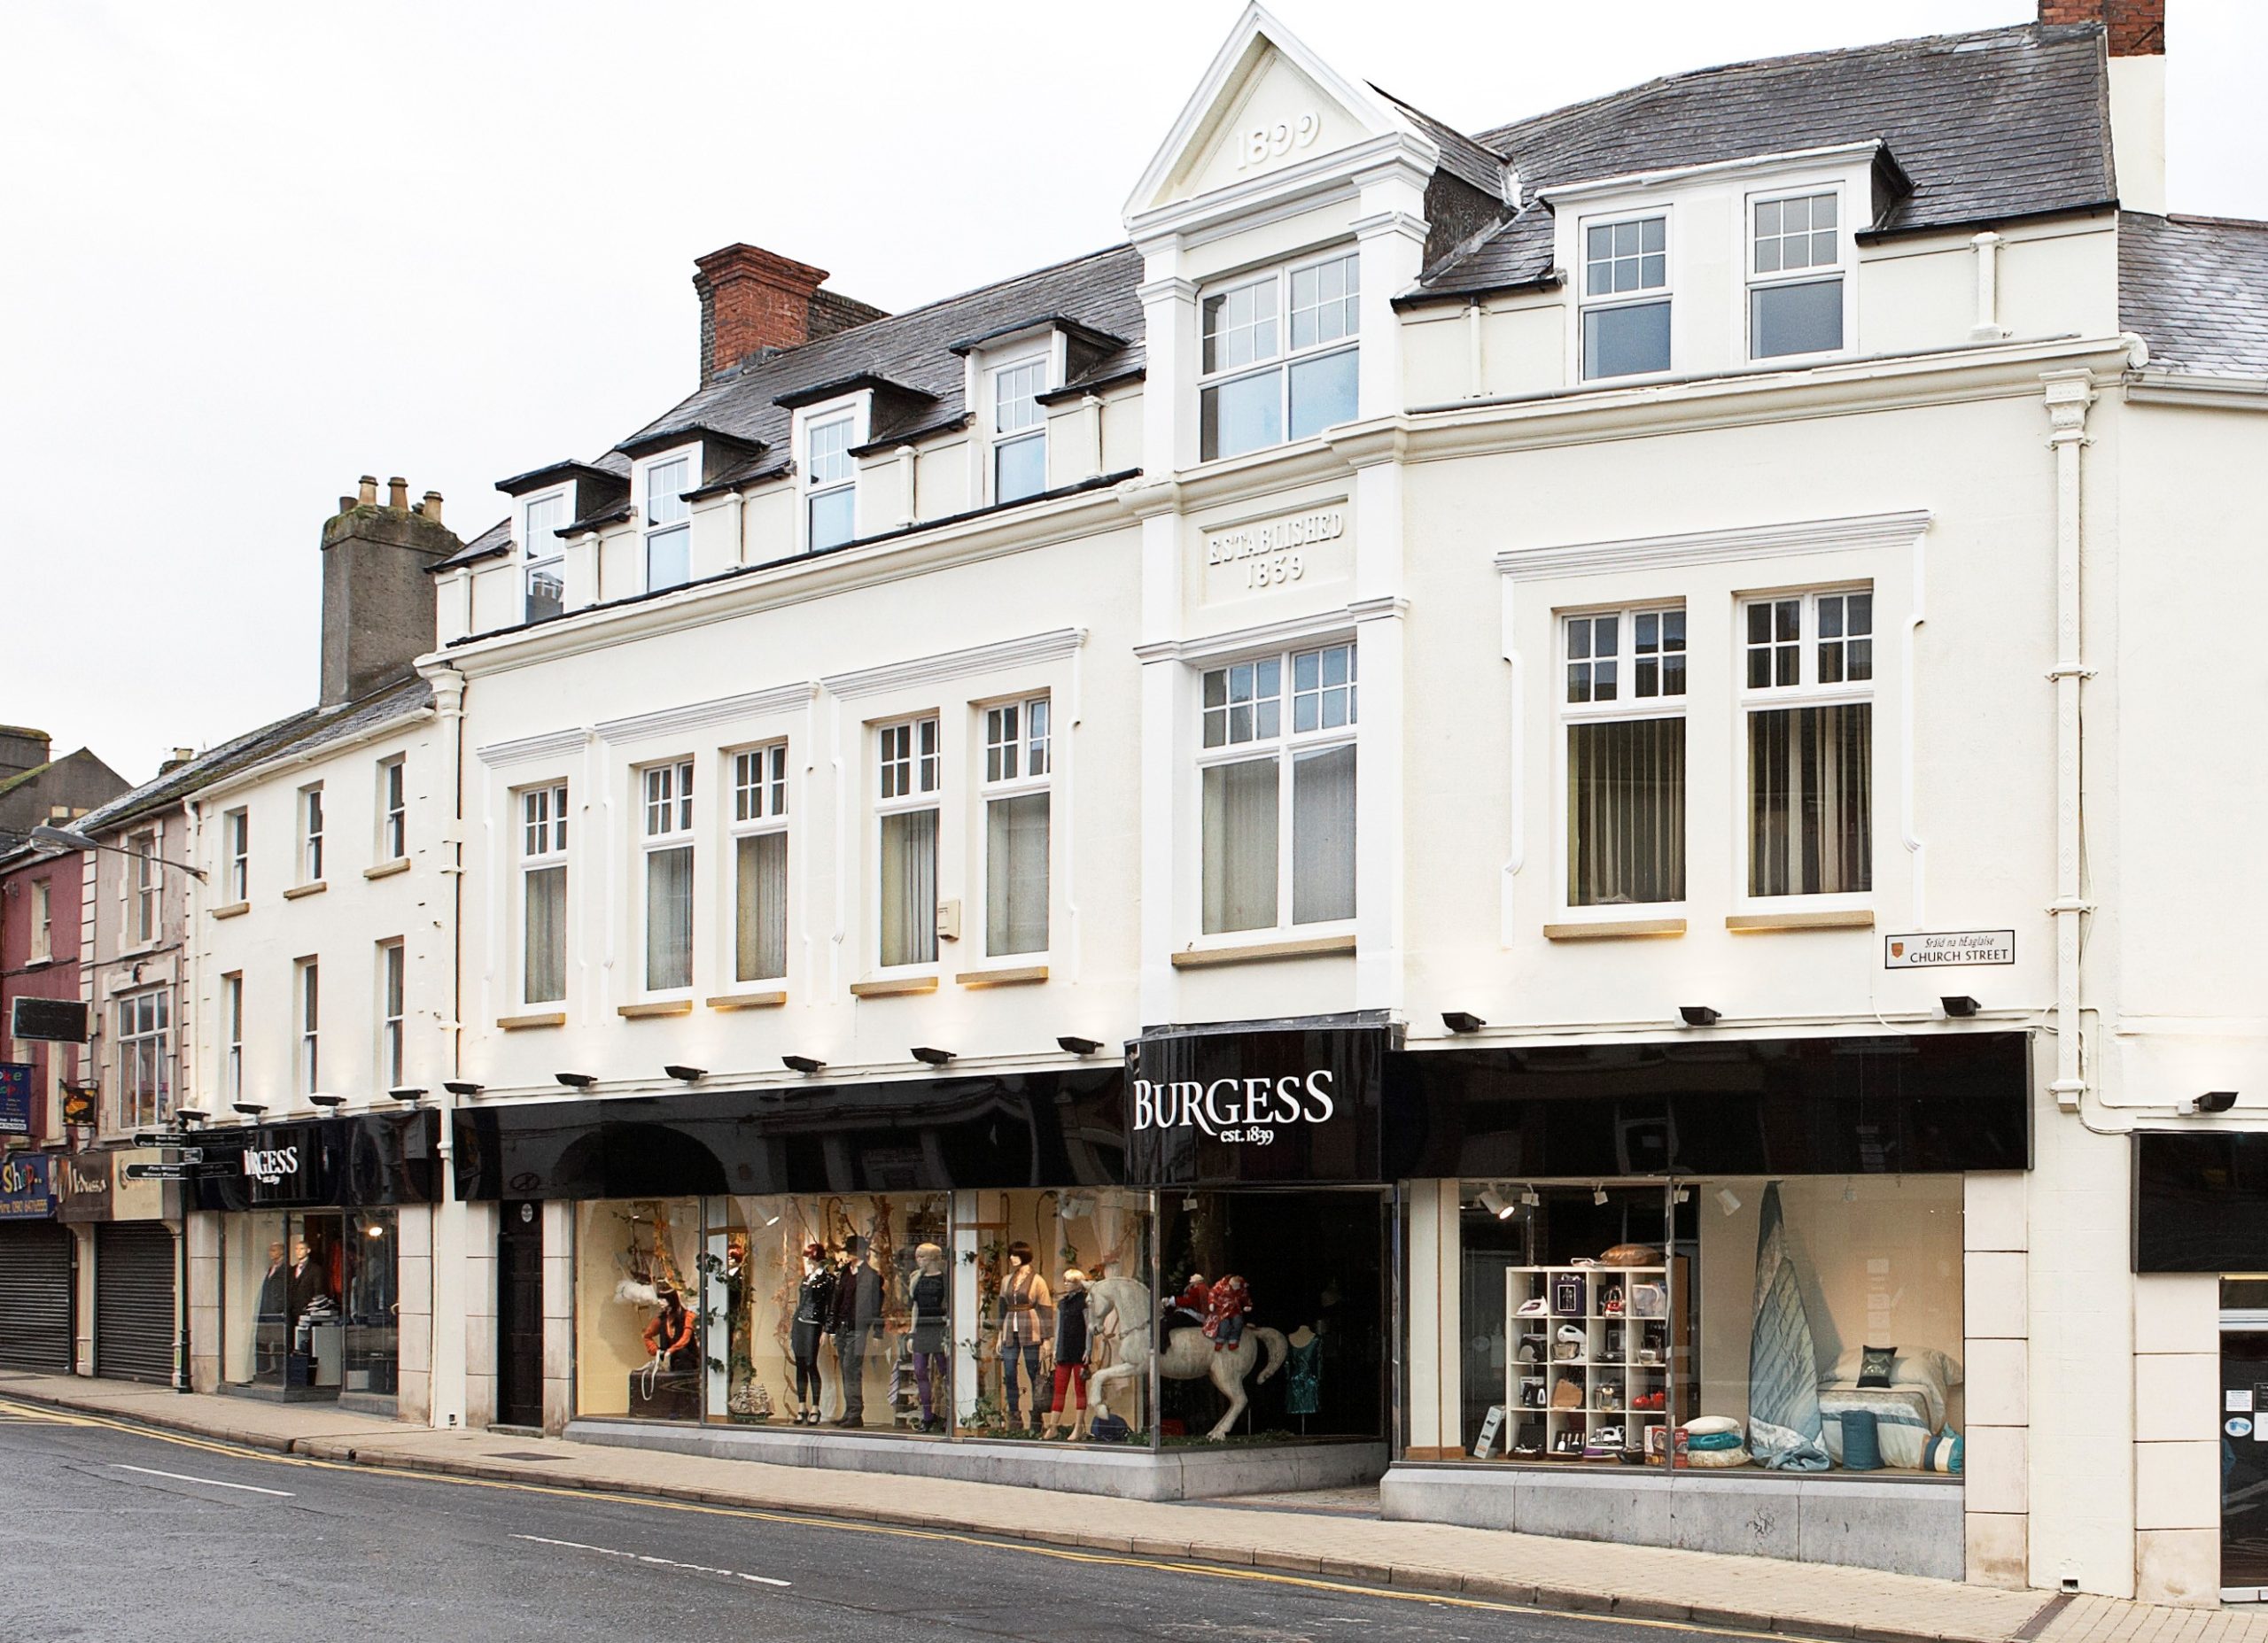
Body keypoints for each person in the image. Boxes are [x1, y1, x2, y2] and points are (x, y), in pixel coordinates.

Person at [997, 1241, 1052, 1430]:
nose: (1011, 1258)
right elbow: (1002, 1309)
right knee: (1010, 1372)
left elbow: (1045, 1309)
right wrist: (999, 1336)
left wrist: (1047, 1339)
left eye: (1015, 1255)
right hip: (1010, 1328)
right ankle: (1014, 1417)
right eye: (1010, 1255)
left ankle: (1037, 1417)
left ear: (1024, 1256)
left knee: (1033, 1373)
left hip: (1030, 1326)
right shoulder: (1006, 1280)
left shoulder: (1038, 1280)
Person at [828, 1236, 882, 1427]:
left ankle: (855, 1412)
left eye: (851, 1251)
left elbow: (876, 1305)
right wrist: (831, 1328)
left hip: (858, 1327)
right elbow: (837, 1300)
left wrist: (878, 1332)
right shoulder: (844, 1273)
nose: (848, 1255)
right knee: (845, 1368)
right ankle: (850, 1411)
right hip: (842, 1326)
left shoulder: (872, 1276)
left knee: (852, 1368)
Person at [1042, 1269, 1092, 1440]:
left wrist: (1089, 1349)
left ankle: (1078, 1427)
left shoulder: (1085, 1302)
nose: (1066, 1284)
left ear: (1078, 1284)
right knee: (1059, 1389)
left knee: (1080, 1389)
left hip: (1079, 1350)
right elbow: (1059, 1327)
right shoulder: (1062, 1304)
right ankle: (1053, 1427)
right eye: (1065, 1281)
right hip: (1064, 1349)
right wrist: (1056, 1348)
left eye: (1070, 1281)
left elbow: (1089, 1327)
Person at [907, 1243, 949, 1433]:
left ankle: (950, 1415)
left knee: (945, 1372)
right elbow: (915, 1307)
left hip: (938, 1327)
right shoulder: (916, 1278)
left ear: (932, 1258)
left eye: (922, 1256)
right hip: (922, 1328)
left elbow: (949, 1306)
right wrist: (911, 1332)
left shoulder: (945, 1280)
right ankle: (927, 1415)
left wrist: (948, 1334)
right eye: (918, 1256)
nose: (919, 1260)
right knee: (920, 1371)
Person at [791, 1244, 834, 1425]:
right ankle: (802, 1406)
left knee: (810, 1363)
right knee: (800, 1363)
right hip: (800, 1322)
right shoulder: (806, 1279)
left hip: (814, 1323)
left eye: (811, 1258)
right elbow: (801, 1302)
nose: (809, 1261)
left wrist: (827, 1329)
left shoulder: (828, 1279)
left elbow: (830, 1306)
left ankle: (816, 1406)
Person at [642, 1283, 695, 1369]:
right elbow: (647, 1335)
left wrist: (671, 1351)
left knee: (683, 1353)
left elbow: (685, 1338)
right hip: (669, 1361)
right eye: (659, 1299)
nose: (659, 1301)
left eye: (663, 1299)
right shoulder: (660, 1319)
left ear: (671, 1300)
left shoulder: (687, 1316)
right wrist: (656, 1351)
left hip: (687, 1361)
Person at [1159, 1272, 1209, 1345]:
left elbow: (1189, 1302)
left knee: (1165, 1322)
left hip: (1193, 1315)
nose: (1191, 1278)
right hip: (1193, 1314)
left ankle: (1163, 1344)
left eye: (1193, 1277)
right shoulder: (1198, 1288)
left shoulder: (1198, 1289)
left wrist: (1173, 1301)